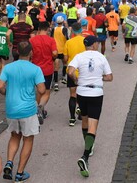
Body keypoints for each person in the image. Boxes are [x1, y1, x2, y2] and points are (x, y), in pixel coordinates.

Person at [0, 42, 45, 181]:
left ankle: (9, 162)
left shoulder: (8, 67)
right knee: (28, 139)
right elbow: (42, 90)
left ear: (17, 52)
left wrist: (8, 93)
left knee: (14, 136)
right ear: (31, 53)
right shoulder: (35, 69)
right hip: (28, 110)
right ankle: (19, 173)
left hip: (11, 109)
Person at [67, 35, 113, 178]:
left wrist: (76, 79)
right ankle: (85, 155)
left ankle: (88, 146)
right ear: (93, 45)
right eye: (97, 43)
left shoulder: (79, 56)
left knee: (85, 120)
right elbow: (110, 77)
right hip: (96, 93)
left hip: (81, 92)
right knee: (93, 124)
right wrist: (100, 78)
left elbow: (69, 71)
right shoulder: (101, 57)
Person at [29, 21, 58, 124]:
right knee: (46, 91)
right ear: (47, 29)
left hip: (35, 69)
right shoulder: (51, 40)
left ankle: (36, 110)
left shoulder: (32, 40)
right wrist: (52, 57)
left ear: (39, 29)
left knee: (38, 90)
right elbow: (55, 53)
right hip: (47, 69)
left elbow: (29, 54)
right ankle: (40, 107)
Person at [64, 22, 86, 126]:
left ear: (72, 30)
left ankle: (72, 118)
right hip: (83, 71)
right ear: (81, 29)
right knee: (82, 93)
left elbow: (65, 58)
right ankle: (81, 112)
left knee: (72, 94)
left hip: (72, 71)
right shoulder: (85, 41)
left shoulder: (68, 42)